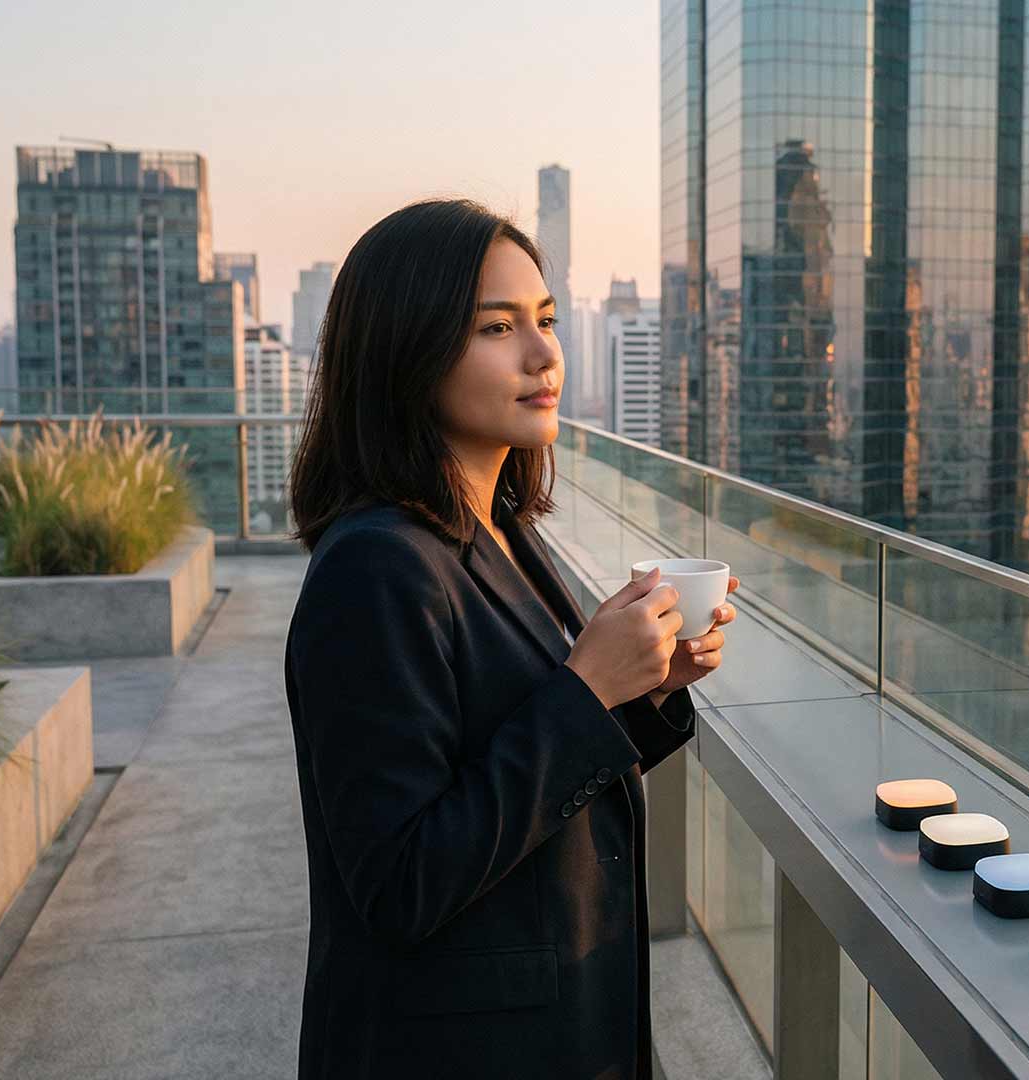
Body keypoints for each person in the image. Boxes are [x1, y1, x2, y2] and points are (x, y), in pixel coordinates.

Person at [283, 199, 735, 1079]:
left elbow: (515, 764)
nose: (544, 355)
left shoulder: (500, 529)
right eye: (498, 327)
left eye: (547, 321)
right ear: (407, 351)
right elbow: (400, 881)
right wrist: (584, 691)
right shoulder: (375, 570)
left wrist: (643, 687)